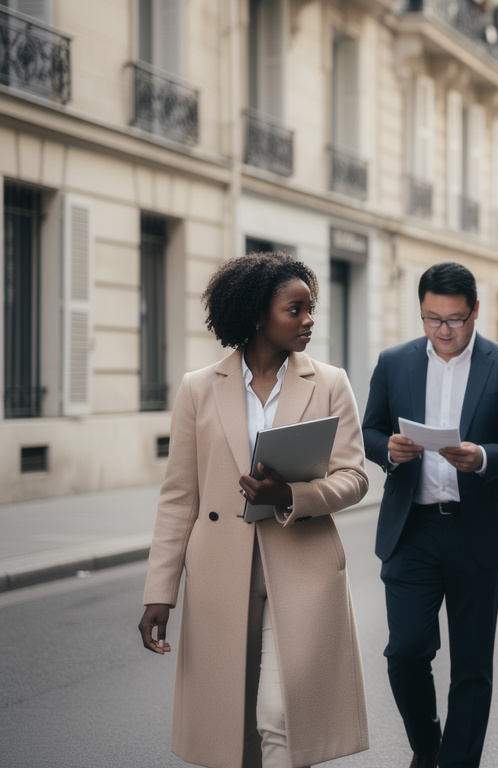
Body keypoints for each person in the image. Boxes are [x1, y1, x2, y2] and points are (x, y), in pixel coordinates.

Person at [138, 251, 370, 768]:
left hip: (303, 569)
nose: (309, 319)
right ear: (257, 314)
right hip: (221, 574)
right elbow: (179, 498)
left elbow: (354, 478)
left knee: (279, 717)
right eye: (296, 309)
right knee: (234, 731)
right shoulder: (198, 388)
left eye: (311, 308)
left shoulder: (330, 382)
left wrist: (289, 496)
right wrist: (160, 590)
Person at [362, 261, 498, 768]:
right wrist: (388, 450)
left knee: (471, 665)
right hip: (411, 528)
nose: (443, 331)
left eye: (456, 320)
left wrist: (484, 457)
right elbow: (369, 430)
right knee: (405, 651)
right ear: (421, 312)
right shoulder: (393, 363)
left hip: (476, 530)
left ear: (476, 312)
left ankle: (458, 762)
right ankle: (426, 743)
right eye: (432, 319)